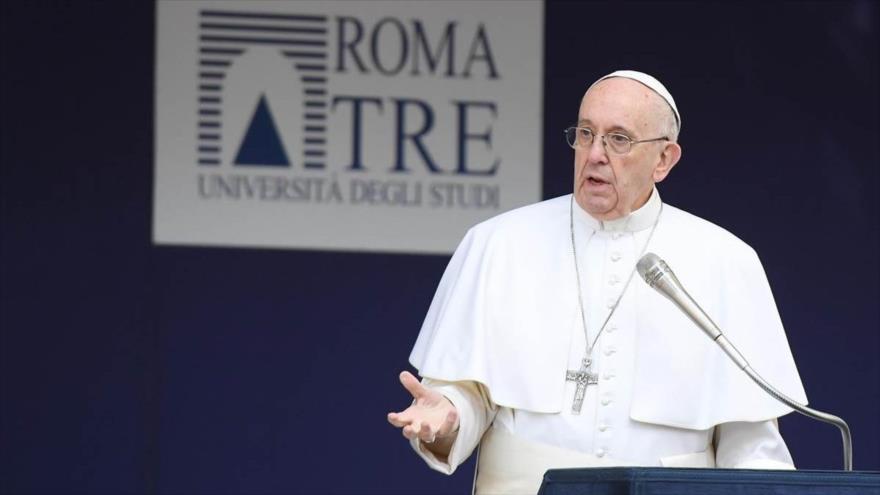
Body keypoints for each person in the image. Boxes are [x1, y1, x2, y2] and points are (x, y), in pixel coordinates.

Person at [387, 70, 807, 494]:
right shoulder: (498, 243)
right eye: (586, 133)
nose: (595, 154)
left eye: (619, 139)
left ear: (664, 159)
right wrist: (448, 415)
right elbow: (469, 395)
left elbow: (749, 442)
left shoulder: (725, 261)